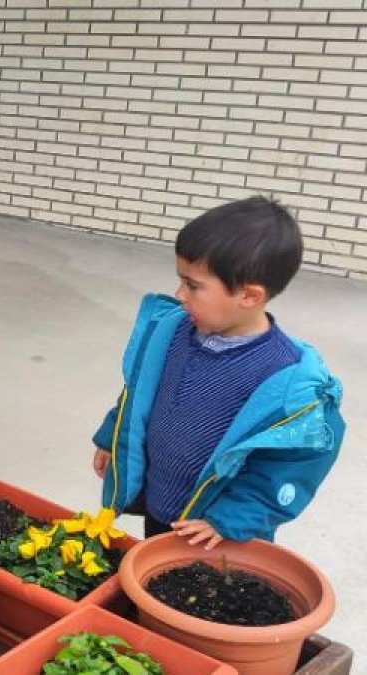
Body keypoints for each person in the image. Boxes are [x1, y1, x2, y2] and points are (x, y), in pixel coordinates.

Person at [92, 196, 344, 549]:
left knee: (193, 596)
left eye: (193, 285)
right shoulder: (170, 333)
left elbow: (293, 465)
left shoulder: (289, 382)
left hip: (216, 531)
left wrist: (229, 520)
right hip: (161, 501)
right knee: (152, 568)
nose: (180, 294)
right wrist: (111, 437)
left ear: (249, 296)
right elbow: (139, 393)